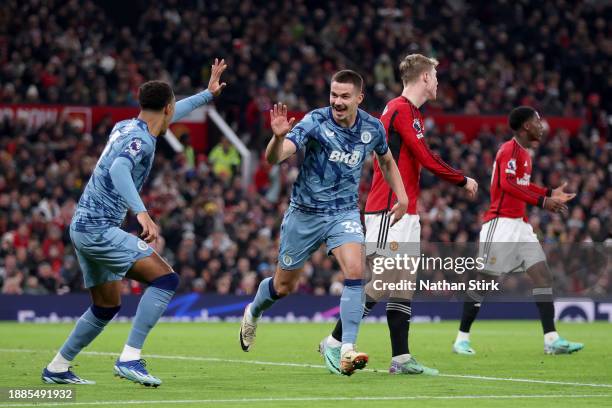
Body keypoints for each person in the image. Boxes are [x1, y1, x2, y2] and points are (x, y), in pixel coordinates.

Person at [42, 59, 227, 386]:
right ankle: (130, 358)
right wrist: (141, 212)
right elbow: (118, 170)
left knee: (106, 305)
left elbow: (171, 112)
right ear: (167, 108)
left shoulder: (126, 126)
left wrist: (206, 94)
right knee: (166, 280)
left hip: (83, 226)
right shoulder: (141, 141)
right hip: (99, 229)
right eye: (173, 107)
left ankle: (57, 367)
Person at [239, 70, 409, 376]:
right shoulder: (315, 121)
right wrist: (277, 138)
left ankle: (345, 348)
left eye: (345, 96)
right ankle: (253, 311)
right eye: (334, 95)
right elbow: (276, 158)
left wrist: (403, 196)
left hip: (343, 213)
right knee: (283, 286)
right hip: (304, 214)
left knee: (356, 270)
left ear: (359, 97)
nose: (338, 102)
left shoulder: (372, 127)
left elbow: (385, 160)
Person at [320, 54, 478, 376]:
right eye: (434, 76)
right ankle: (334, 341)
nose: (437, 82)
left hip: (408, 211)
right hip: (388, 209)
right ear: (423, 78)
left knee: (403, 284)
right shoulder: (399, 108)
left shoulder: (413, 113)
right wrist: (462, 180)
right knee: (383, 281)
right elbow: (426, 157)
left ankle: (401, 359)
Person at [452, 106, 584, 355]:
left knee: (543, 276)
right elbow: (506, 184)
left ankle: (551, 340)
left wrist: (547, 192)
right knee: (485, 282)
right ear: (526, 126)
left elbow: (523, 184)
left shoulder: (525, 154)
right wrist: (543, 202)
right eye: (537, 120)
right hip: (500, 224)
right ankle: (461, 339)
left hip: (521, 225)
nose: (541, 125)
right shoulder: (508, 150)